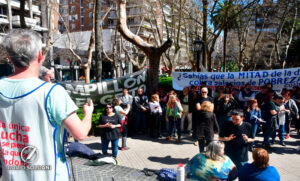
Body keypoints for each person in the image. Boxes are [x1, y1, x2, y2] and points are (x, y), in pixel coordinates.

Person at [0, 29, 94, 181]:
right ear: (39, 55)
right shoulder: (52, 93)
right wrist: (88, 113)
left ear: (9, 57)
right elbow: (81, 133)